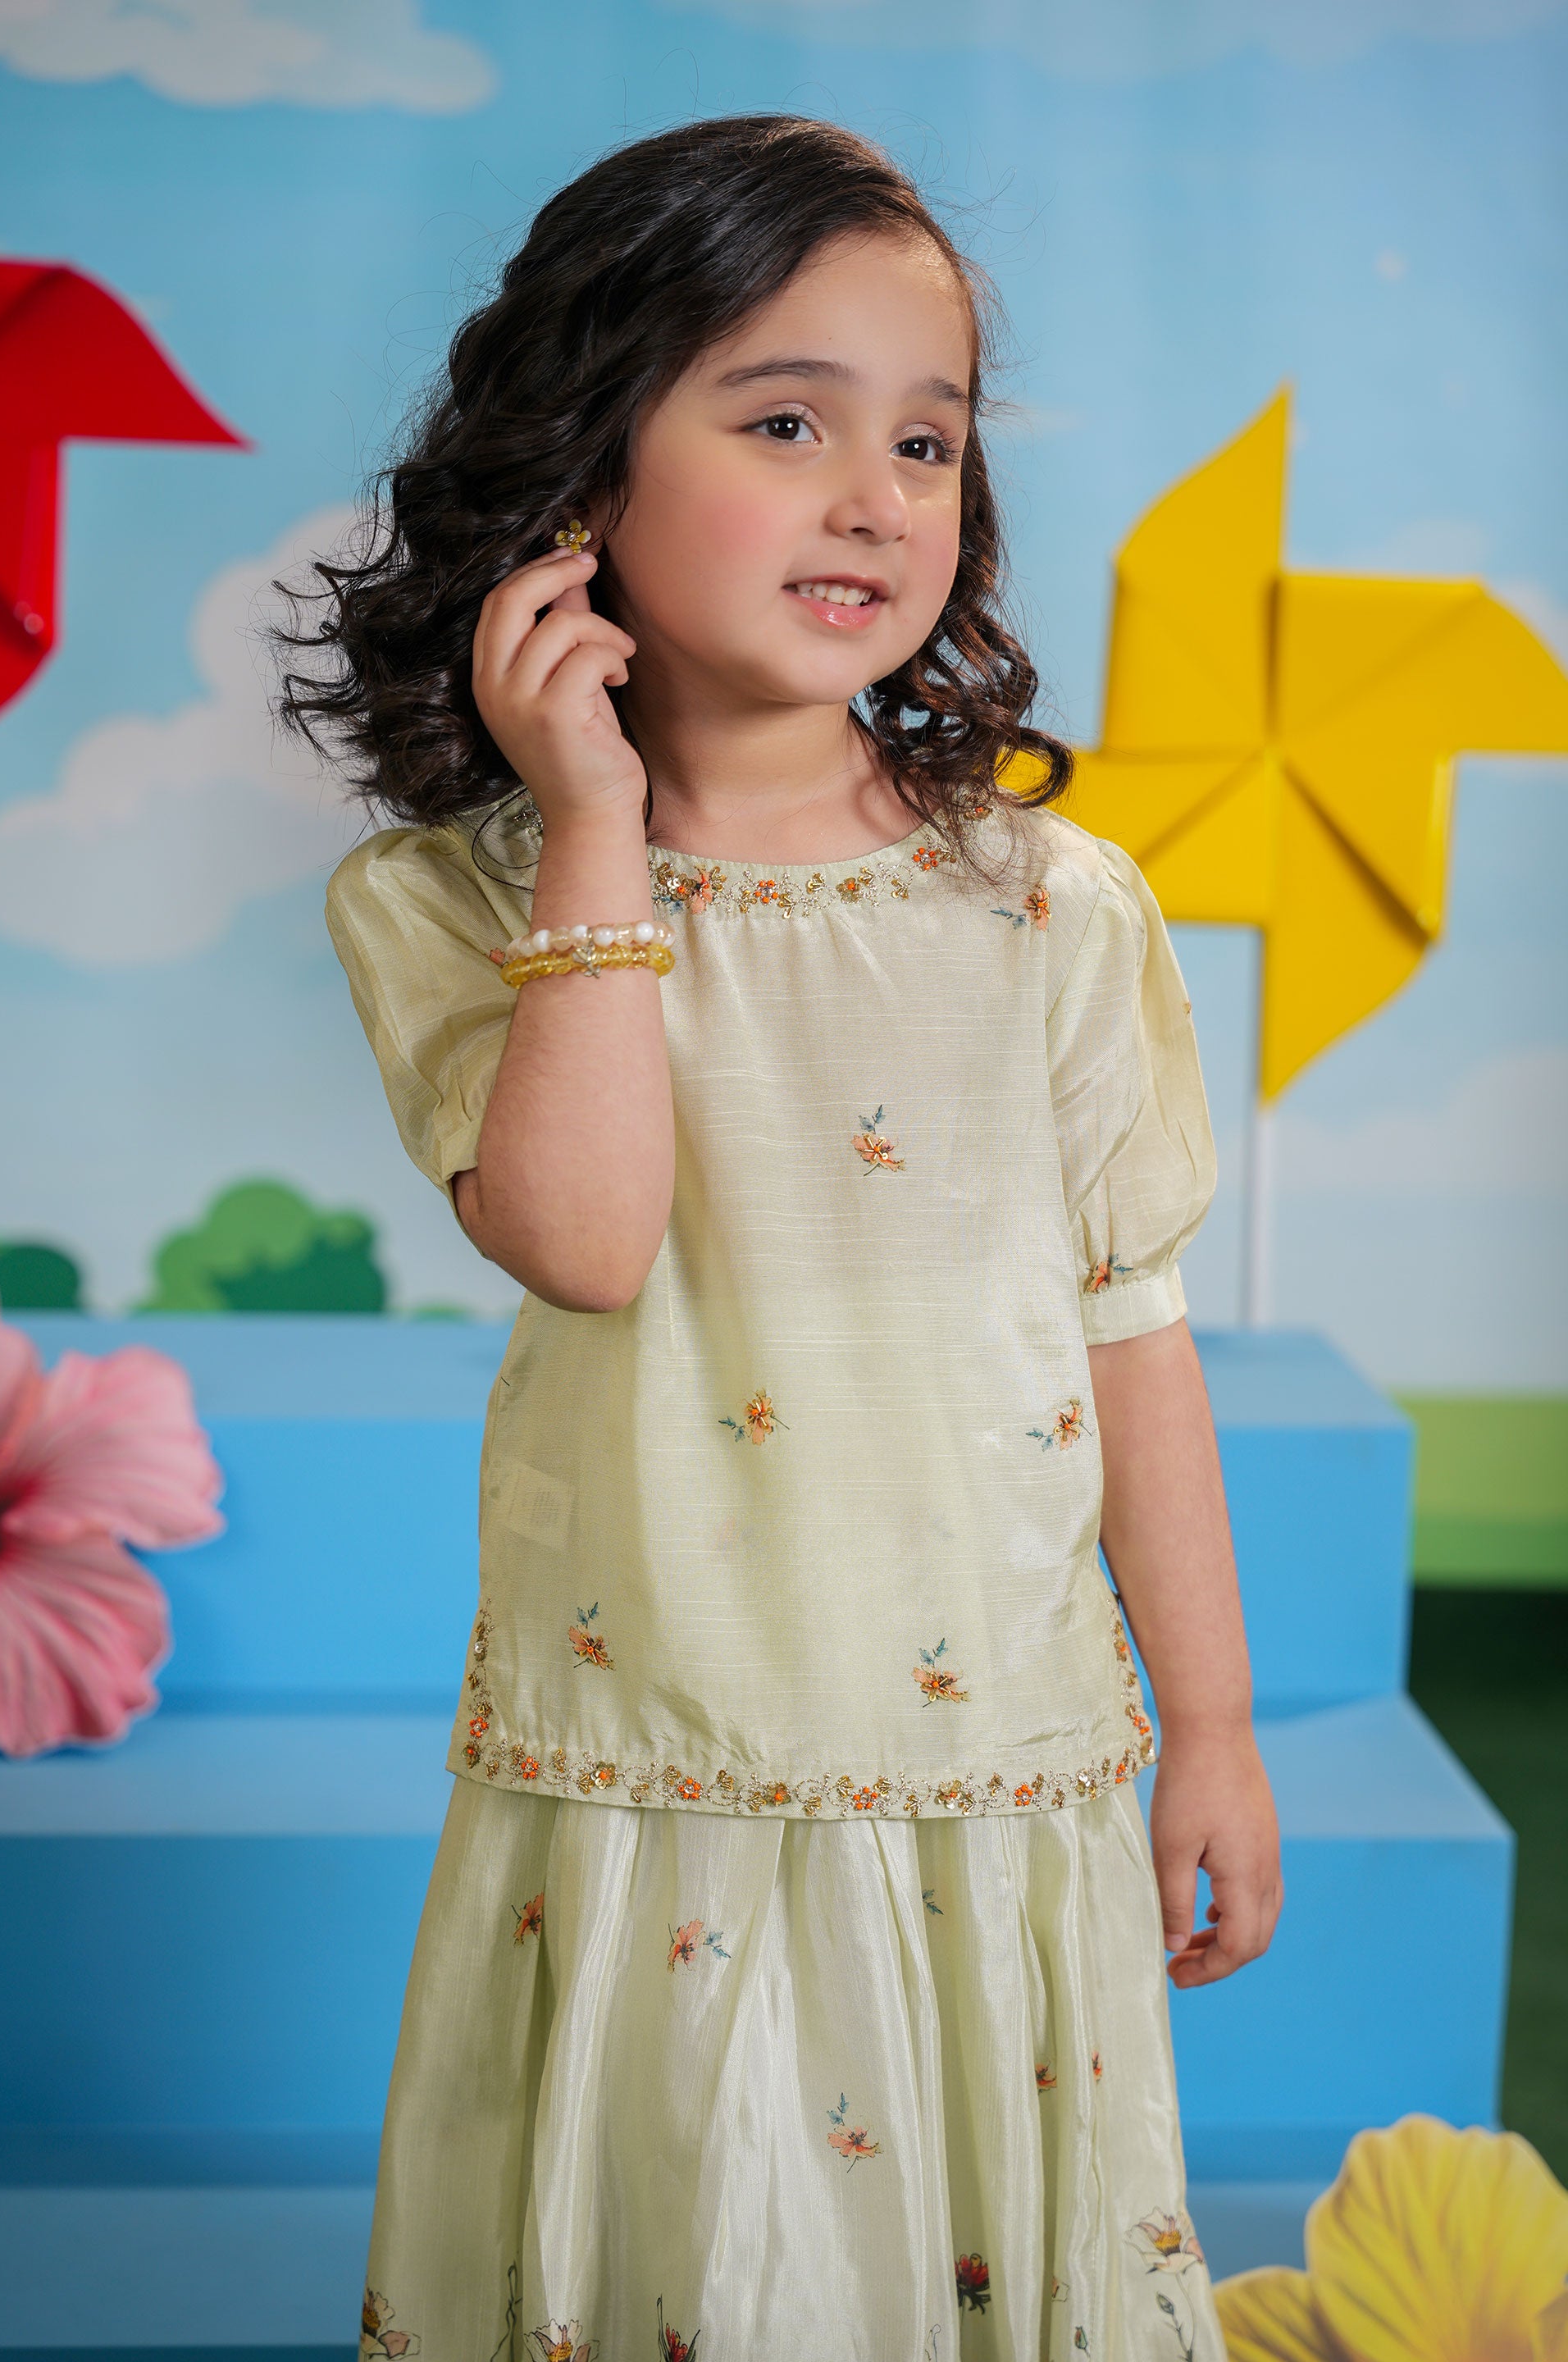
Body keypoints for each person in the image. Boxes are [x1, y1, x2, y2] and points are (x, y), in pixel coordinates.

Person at [284, 112, 1282, 2362]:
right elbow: (585, 1238)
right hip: (661, 1763)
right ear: (580, 477)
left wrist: (1210, 1724)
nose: (874, 497)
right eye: (784, 421)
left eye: (924, 441)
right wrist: (595, 830)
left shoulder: (1050, 905)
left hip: (997, 1759)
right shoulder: (446, 901)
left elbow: (1131, 1330)